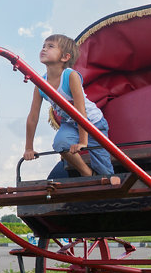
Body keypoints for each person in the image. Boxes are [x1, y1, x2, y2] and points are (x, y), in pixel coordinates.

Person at [23, 33, 113, 178]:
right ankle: (86, 173)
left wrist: (83, 141)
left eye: (50, 46)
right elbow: (33, 117)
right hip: (70, 123)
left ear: (65, 57)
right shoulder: (40, 84)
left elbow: (80, 110)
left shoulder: (70, 76)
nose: (44, 49)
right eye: (43, 46)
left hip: (93, 123)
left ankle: (108, 184)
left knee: (104, 170)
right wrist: (29, 147)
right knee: (60, 143)